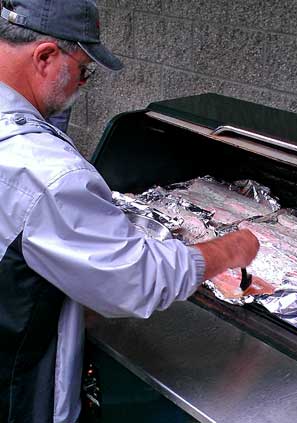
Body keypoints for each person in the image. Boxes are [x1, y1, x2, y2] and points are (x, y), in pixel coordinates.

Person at [0, 1, 259, 423]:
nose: (83, 84)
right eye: (85, 70)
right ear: (45, 57)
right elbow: (136, 279)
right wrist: (230, 250)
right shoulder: (43, 170)